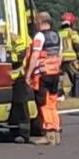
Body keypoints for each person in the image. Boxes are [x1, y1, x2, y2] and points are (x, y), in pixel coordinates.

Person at [26, 11, 65, 145]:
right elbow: (60, 56)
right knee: (52, 104)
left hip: (42, 75)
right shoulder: (57, 36)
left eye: (36, 22)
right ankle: (56, 133)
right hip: (55, 74)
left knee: (43, 105)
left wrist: (28, 74)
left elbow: (35, 55)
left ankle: (48, 134)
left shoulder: (39, 36)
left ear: (40, 22)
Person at [59, 12, 79, 98]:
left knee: (64, 77)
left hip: (61, 59)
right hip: (72, 58)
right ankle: (75, 93)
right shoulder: (72, 33)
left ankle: (63, 94)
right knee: (75, 76)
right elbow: (77, 44)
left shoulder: (59, 33)